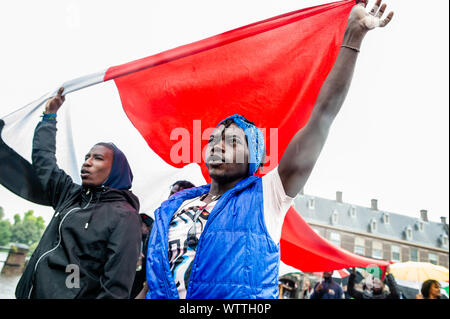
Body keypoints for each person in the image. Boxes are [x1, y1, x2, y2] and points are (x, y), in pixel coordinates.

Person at [142, 0, 394, 299]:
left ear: (256, 158)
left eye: (233, 141)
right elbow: (152, 284)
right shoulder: (174, 207)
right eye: (214, 138)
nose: (218, 146)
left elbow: (322, 116)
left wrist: (353, 37)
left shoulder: (269, 196)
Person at [14, 88, 142, 299]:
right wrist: (49, 116)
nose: (87, 162)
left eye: (98, 158)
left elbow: (115, 287)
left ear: (116, 169)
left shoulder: (125, 216)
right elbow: (44, 159)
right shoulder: (69, 195)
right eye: (87, 156)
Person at [130, 212, 154, 299]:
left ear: (147, 227)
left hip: (144, 273)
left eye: (141, 225)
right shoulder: (135, 237)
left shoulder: (151, 239)